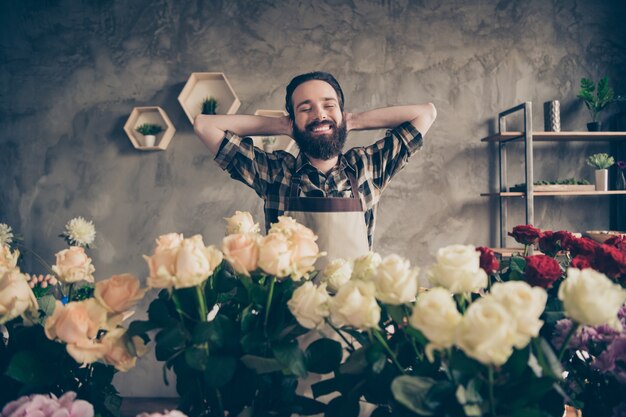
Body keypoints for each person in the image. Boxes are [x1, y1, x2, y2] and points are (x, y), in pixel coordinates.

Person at [194, 71, 436, 265]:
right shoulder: (274, 172)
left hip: (353, 314)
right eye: (305, 109)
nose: (319, 115)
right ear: (292, 119)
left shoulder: (369, 167)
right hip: (290, 317)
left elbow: (426, 113)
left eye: (329, 106)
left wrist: (351, 120)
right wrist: (283, 125)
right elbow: (205, 125)